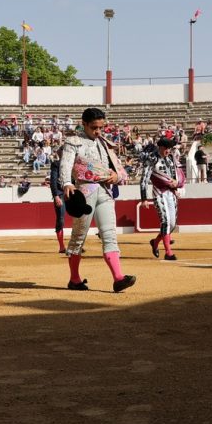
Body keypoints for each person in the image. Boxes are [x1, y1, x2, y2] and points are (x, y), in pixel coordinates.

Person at [60, 107, 137, 293]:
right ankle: (74, 279)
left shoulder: (104, 143)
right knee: (79, 237)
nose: (98, 131)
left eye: (101, 127)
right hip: (84, 191)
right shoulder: (74, 142)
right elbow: (66, 163)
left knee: (109, 234)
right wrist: (67, 184)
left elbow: (118, 169)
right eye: (94, 127)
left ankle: (118, 278)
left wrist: (116, 176)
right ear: (84, 124)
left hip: (105, 191)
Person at [141, 137, 185, 261]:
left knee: (171, 224)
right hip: (158, 192)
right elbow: (144, 179)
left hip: (171, 192)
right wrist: (144, 198)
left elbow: (179, 173)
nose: (168, 150)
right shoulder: (152, 158)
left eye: (169, 148)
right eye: (166, 148)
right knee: (165, 222)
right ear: (160, 147)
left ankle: (155, 242)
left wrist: (177, 184)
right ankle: (168, 252)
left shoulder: (171, 158)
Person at [48, 150, 68, 253]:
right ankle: (61, 246)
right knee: (60, 219)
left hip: (73, 193)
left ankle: (76, 244)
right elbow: (53, 181)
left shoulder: (73, 165)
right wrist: (56, 196)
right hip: (60, 194)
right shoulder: (56, 164)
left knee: (80, 217)